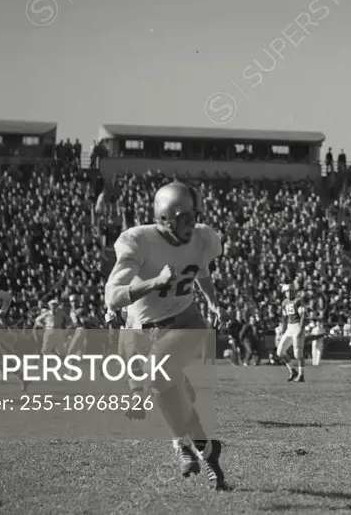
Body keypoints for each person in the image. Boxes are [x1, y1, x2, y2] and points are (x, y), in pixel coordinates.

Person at [104, 181, 228, 490]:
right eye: (185, 217)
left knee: (160, 375)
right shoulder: (138, 240)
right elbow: (113, 297)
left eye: (194, 215)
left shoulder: (202, 238)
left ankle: (191, 446)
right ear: (165, 217)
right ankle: (205, 450)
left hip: (188, 322)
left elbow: (201, 272)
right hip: (147, 327)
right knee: (167, 386)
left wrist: (212, 301)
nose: (192, 223)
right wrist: (154, 282)